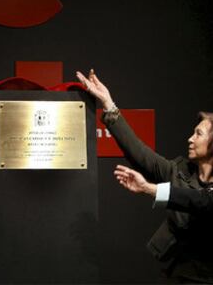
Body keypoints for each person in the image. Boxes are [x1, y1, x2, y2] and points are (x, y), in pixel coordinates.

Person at [76, 70, 213, 283]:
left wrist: (150, 189)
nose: (190, 139)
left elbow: (201, 201)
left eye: (199, 134)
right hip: (177, 275)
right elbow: (139, 153)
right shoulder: (179, 171)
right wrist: (108, 104)